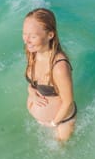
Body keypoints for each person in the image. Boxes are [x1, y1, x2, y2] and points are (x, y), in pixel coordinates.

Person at [22, 8, 77, 142]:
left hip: (61, 122)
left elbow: (68, 102)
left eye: (33, 36)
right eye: (24, 34)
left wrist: (53, 123)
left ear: (50, 35)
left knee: (59, 154)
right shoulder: (32, 53)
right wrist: (32, 93)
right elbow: (32, 84)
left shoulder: (59, 67)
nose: (27, 40)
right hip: (44, 121)